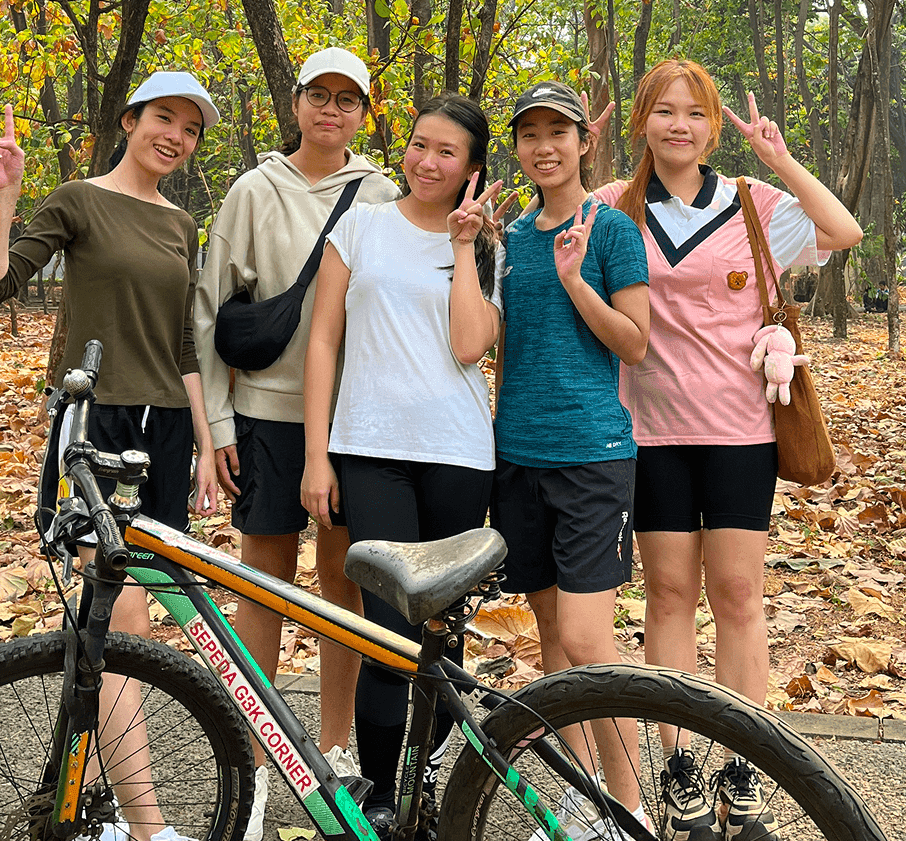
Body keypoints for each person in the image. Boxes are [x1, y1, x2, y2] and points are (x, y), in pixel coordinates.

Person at [596, 59, 862, 841]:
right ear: (643, 119)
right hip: (649, 435)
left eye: (696, 113)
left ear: (714, 125)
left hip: (742, 432)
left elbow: (843, 230)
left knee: (740, 598)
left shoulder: (753, 203)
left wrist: (779, 157)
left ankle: (741, 771)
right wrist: (585, 158)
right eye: (664, 111)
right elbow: (557, 241)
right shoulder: (616, 207)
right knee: (670, 598)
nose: (680, 125)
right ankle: (680, 774)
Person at [0, 71, 222, 841]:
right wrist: (6, 191)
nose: (174, 135)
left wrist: (208, 442)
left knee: (111, 621)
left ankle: (84, 803)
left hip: (167, 430)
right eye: (163, 118)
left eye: (190, 128)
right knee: (126, 622)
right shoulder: (78, 199)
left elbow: (183, 342)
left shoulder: (183, 225)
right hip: (93, 425)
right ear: (131, 119)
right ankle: (150, 828)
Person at [193, 48, 398, 841]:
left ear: (362, 113)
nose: (332, 111)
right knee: (264, 580)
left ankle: (338, 746)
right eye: (320, 95)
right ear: (298, 99)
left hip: (356, 420)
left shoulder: (379, 192)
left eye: (349, 100)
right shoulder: (254, 188)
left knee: (343, 580)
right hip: (267, 415)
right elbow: (212, 308)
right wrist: (214, 426)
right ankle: (252, 754)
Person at [301, 94, 503, 839]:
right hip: (370, 451)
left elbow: (468, 346)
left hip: (457, 454)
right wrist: (317, 452)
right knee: (385, 631)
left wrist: (460, 246)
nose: (427, 161)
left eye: (447, 152)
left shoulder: (483, 242)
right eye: (420, 144)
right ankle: (384, 793)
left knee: (440, 638)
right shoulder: (360, 226)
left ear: (471, 169)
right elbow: (322, 341)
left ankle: (425, 776)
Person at [488, 82, 652, 839]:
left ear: (586, 142)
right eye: (530, 133)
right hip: (517, 456)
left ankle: (631, 806)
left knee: (591, 642)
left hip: (593, 455)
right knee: (553, 640)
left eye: (560, 131)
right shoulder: (509, 237)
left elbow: (635, 342)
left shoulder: (613, 229)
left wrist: (576, 282)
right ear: (517, 146)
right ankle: (586, 801)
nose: (544, 146)